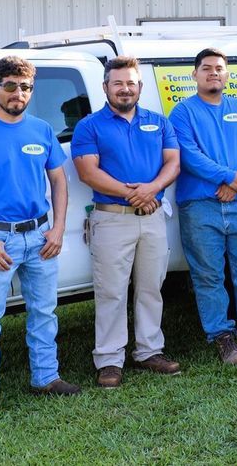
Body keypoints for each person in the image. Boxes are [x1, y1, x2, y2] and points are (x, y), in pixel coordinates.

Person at [0, 56, 79, 423]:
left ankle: (46, 377)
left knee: (44, 311)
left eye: (24, 87)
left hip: (39, 235)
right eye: (10, 86)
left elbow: (58, 182)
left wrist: (56, 228)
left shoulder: (41, 130)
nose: (18, 93)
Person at [71, 56, 182, 389]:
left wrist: (152, 189)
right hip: (111, 219)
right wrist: (134, 193)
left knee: (151, 289)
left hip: (152, 219)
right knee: (111, 293)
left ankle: (150, 351)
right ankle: (109, 360)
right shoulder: (89, 126)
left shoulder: (158, 122)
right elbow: (87, 171)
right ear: (106, 87)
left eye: (130, 83)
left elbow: (173, 163)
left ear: (140, 86)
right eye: (117, 83)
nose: (124, 89)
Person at [170, 48, 237, 365]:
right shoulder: (182, 113)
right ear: (195, 75)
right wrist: (229, 177)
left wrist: (235, 184)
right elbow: (187, 153)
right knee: (208, 277)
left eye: (219, 68)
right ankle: (223, 339)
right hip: (200, 207)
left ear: (227, 75)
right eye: (206, 68)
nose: (213, 72)